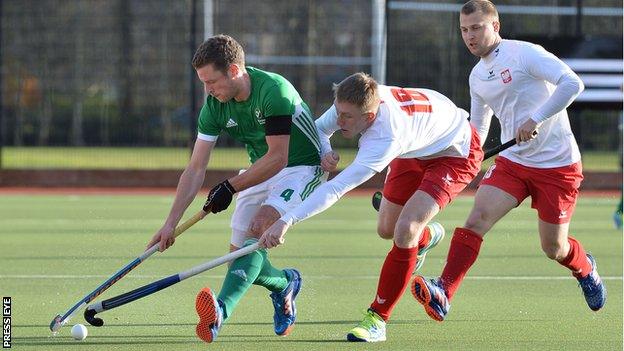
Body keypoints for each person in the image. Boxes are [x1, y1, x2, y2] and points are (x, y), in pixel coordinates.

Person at [411, 0, 607, 323]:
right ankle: (444, 291)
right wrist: (461, 154)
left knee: (554, 247)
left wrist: (537, 119)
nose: (470, 36)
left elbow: (573, 83)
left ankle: (586, 268)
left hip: (558, 165)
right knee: (476, 219)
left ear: (495, 26)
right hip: (513, 161)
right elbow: (477, 130)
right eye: (464, 30)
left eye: (476, 28)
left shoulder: (524, 54)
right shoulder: (477, 76)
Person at [259, 72, 484, 342]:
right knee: (386, 229)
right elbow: (320, 129)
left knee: (405, 229)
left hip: (454, 154)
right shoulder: (353, 101)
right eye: (339, 112)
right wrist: (324, 150)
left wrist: (288, 220)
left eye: (347, 117)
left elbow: (336, 188)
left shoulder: (384, 139)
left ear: (369, 117)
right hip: (416, 148)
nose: (340, 120)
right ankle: (424, 239)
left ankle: (377, 318)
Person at [145, 34, 325, 343]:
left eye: (212, 81)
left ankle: (221, 312)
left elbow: (279, 157)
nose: (208, 91)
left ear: (233, 70)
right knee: (240, 258)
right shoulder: (214, 106)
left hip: (301, 168)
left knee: (258, 229)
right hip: (260, 170)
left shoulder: (274, 91)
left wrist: (229, 186)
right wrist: (170, 223)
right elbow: (195, 168)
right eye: (203, 83)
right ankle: (284, 284)